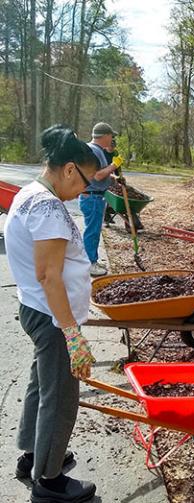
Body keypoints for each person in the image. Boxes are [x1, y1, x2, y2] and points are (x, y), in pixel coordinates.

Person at [4, 125, 98, 502]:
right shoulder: (47, 207)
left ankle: (34, 457)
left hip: (37, 311)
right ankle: (50, 481)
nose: (85, 192)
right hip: (52, 317)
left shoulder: (30, 193)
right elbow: (48, 275)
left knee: (41, 386)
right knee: (60, 397)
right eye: (86, 183)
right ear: (70, 169)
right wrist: (73, 336)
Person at [79, 122, 122, 277]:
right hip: (92, 197)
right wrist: (113, 166)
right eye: (111, 136)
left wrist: (113, 178)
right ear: (104, 136)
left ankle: (92, 259)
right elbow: (96, 176)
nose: (112, 139)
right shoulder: (94, 151)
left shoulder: (96, 150)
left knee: (93, 231)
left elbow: (98, 173)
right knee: (92, 232)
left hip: (93, 196)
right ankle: (90, 263)